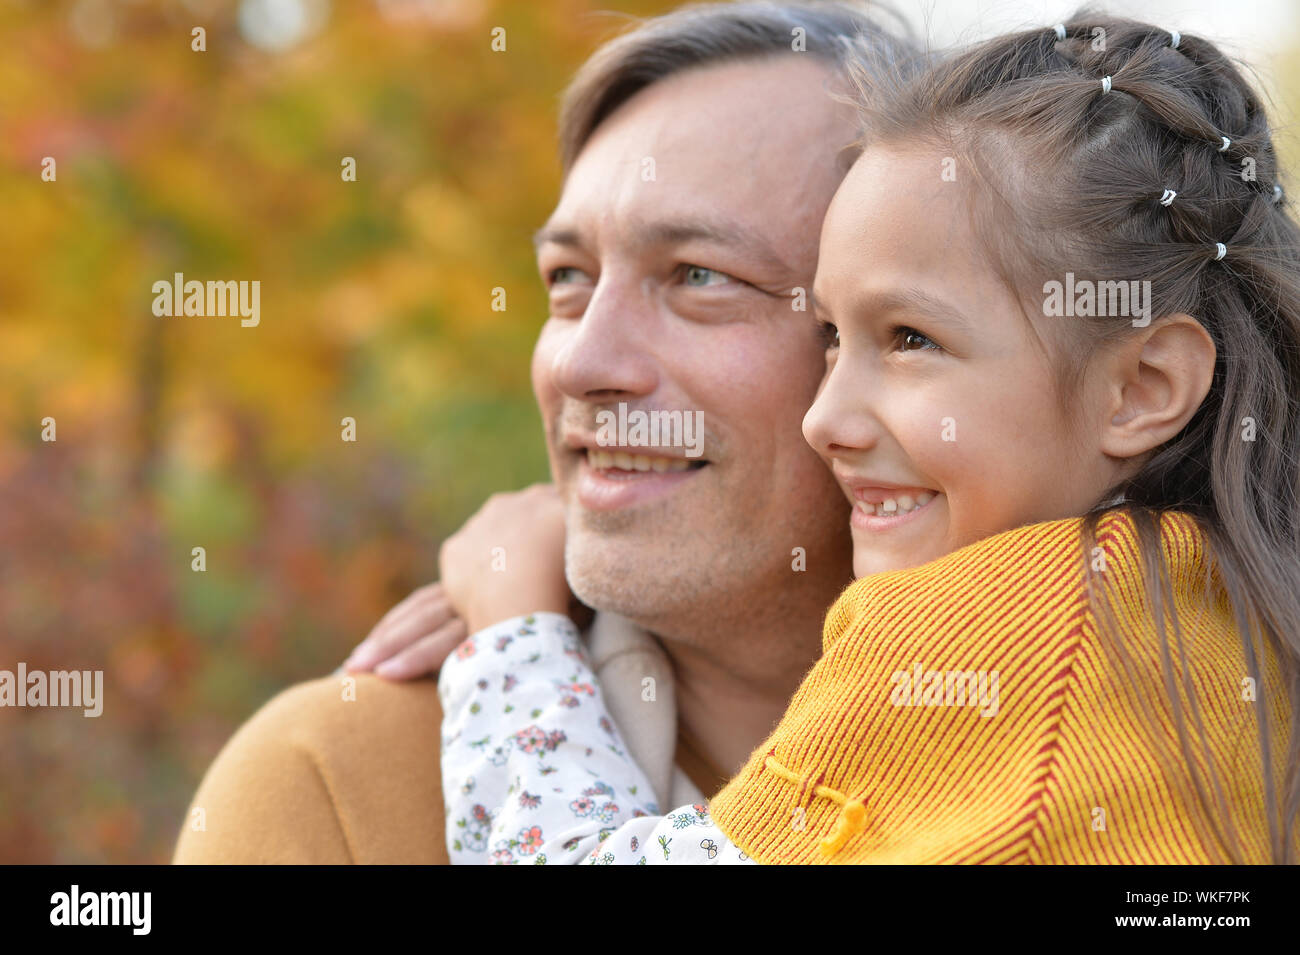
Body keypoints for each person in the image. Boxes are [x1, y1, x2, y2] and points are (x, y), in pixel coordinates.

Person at [424, 14, 1300, 864]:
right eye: (833, 335)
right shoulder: (1230, 609)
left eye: (911, 339)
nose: (823, 419)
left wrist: (513, 635)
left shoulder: (982, 630)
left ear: (1142, 388)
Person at [172, 1, 917, 864]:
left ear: (907, 338)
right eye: (568, 278)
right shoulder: (336, 787)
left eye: (700, 275)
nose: (578, 362)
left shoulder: (1076, 759)